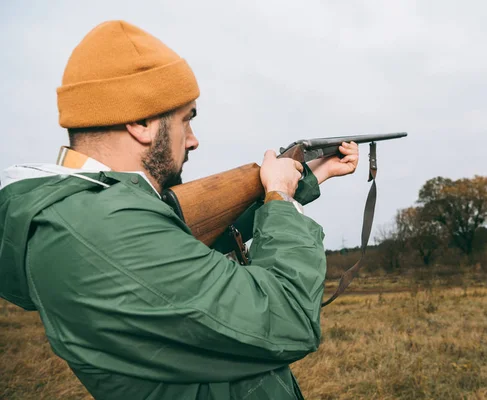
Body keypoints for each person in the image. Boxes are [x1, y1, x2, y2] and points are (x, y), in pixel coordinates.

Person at [0, 20, 358, 399]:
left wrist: (304, 181)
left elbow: (185, 252)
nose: (193, 140)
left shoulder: (92, 212)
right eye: (186, 120)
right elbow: (287, 318)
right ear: (140, 122)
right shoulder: (99, 227)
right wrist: (279, 198)